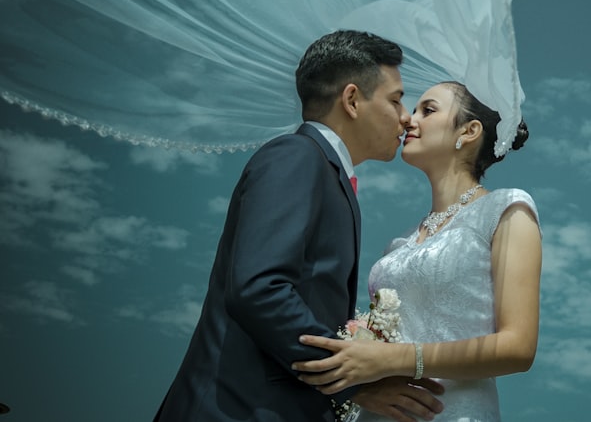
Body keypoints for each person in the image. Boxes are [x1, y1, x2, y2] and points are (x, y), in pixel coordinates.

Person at [154, 30, 444, 422]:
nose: (405, 117)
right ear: (353, 100)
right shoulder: (296, 156)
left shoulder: (326, 172)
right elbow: (259, 289)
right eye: (395, 100)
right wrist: (356, 378)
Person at [293, 81, 542, 422]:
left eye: (428, 110)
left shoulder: (506, 209)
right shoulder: (399, 244)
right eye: (413, 109)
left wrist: (393, 360)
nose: (409, 120)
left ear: (469, 131)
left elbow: (518, 347)